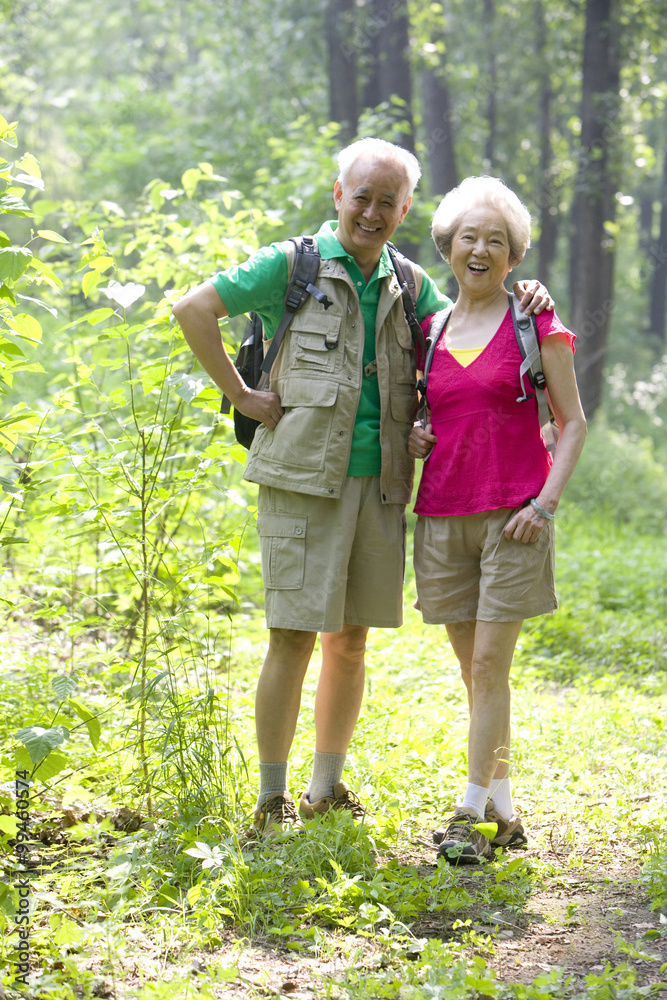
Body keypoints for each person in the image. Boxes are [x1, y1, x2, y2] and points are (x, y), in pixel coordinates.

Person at [172, 140, 553, 838]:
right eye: (362, 196)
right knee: (291, 635)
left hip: (379, 485)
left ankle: (324, 787)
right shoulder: (294, 265)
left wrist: (527, 293)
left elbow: (476, 313)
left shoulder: (408, 284)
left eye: (388, 201)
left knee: (349, 641)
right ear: (338, 192)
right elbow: (195, 308)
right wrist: (240, 393)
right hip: (301, 481)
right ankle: (270, 799)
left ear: (405, 209)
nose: (372, 212)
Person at [408, 176, 587, 864]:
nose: (478, 249)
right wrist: (418, 435)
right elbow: (429, 417)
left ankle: (467, 812)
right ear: (447, 248)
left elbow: (571, 424)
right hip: (442, 516)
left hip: (514, 516)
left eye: (494, 240)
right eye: (466, 238)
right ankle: (505, 814)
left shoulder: (535, 322)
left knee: (488, 663)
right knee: (476, 674)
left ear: (513, 256)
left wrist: (545, 504)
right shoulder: (428, 332)